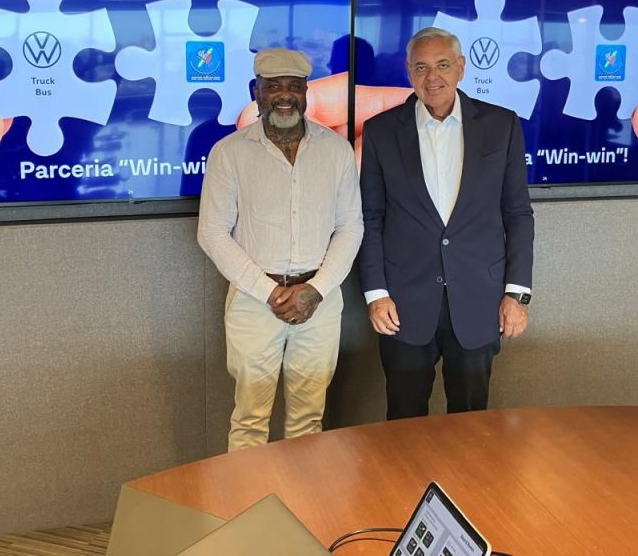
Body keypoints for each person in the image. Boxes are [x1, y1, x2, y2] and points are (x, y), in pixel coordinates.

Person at [358, 27, 535, 419]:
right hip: (402, 305)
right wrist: (376, 294)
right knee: (403, 422)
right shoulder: (381, 131)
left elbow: (518, 214)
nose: (432, 77)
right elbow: (370, 218)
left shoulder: (501, 125)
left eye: (442, 65)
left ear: (461, 68)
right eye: (421, 67)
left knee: (471, 422)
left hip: (479, 301)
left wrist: (517, 294)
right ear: (409, 71)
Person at [198, 48, 363, 451]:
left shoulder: (337, 150)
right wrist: (270, 292)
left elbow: (350, 227)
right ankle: (249, 494)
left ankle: (300, 493)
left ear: (306, 92)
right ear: (255, 92)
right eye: (273, 87)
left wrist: (315, 290)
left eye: (294, 86)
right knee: (250, 421)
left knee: (309, 418)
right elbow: (212, 233)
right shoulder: (229, 153)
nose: (285, 95)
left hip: (320, 302)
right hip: (255, 302)